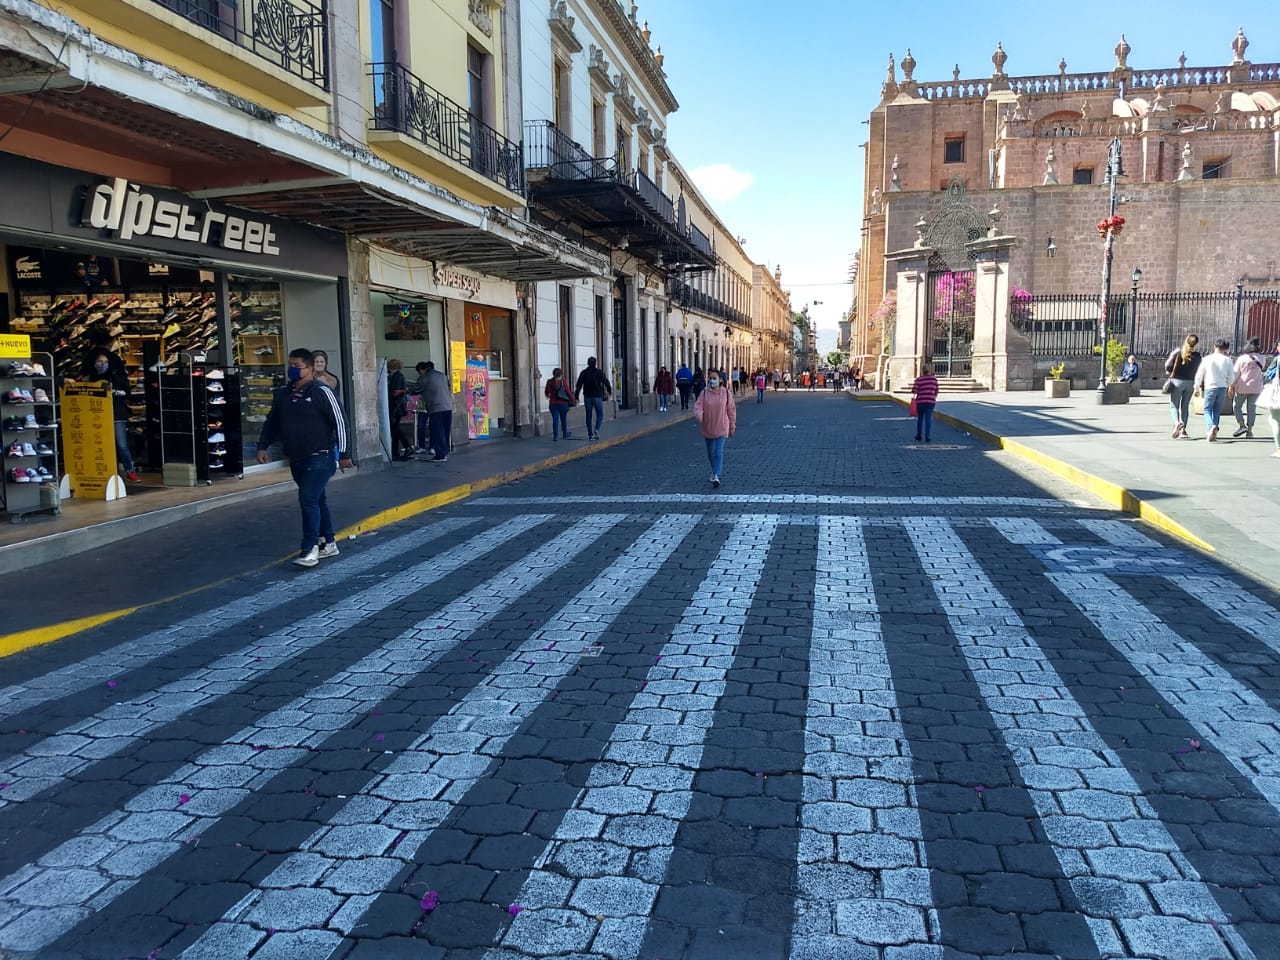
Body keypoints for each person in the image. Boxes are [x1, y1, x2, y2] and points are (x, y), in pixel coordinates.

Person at [255, 348, 351, 568]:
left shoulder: (321, 391)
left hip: (321, 456)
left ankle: (310, 548)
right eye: (291, 364)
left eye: (297, 365)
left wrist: (344, 454)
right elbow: (272, 422)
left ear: (309, 368)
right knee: (317, 500)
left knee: (307, 499)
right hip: (297, 457)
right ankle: (329, 541)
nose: (293, 369)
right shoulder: (282, 394)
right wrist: (263, 446)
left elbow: (340, 421)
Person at [86, 349, 140, 483]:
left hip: (116, 414)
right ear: (94, 363)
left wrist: (113, 390)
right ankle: (102, 470)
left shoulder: (117, 376)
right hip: (96, 415)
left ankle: (130, 471)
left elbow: (127, 393)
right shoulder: (90, 378)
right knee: (100, 445)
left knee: (121, 445)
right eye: (100, 361)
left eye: (105, 362)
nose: (102, 364)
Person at [693, 366, 736, 488]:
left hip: (722, 426)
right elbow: (698, 407)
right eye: (710, 378)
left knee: (718, 452)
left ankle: (716, 474)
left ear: (720, 380)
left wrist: (732, 426)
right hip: (708, 427)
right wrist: (699, 415)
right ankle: (714, 471)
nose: (712, 381)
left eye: (714, 378)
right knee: (710, 453)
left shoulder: (726, 394)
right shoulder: (704, 393)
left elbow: (731, 411)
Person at [1194, 338, 1235, 443]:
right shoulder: (1228, 360)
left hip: (1210, 386)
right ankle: (1215, 429)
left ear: (1214, 346)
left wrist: (1197, 387)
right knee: (1217, 409)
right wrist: (1229, 385)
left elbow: (1200, 374)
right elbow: (1231, 376)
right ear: (1226, 349)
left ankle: (1210, 427)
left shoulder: (1207, 359)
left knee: (1207, 409)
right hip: (1222, 387)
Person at [1165, 334, 1201, 439]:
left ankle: (1176, 423)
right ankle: (1183, 430)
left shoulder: (1179, 353)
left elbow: (1169, 367)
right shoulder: (1198, 356)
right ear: (1196, 344)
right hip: (1190, 382)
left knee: (1174, 405)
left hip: (1177, 381)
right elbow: (1199, 371)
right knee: (1185, 406)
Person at [417, 360, 452, 461]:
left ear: (423, 369)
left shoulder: (425, 378)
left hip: (436, 408)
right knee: (445, 430)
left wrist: (404, 390)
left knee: (437, 431)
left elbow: (416, 389)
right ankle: (445, 451)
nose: (419, 374)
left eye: (419, 372)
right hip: (447, 406)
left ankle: (440, 454)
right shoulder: (442, 375)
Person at [1231, 337, 1265, 439]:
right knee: (1252, 409)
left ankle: (1242, 425)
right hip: (1256, 387)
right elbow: (1262, 368)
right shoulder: (1262, 358)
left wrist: (1231, 385)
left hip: (1242, 386)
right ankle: (1249, 431)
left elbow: (1235, 373)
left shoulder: (1242, 358)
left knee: (1237, 407)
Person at [573, 356, 612, 441]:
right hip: (597, 396)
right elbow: (606, 381)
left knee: (588, 415)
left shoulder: (584, 373)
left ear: (588, 363)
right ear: (595, 363)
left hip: (587, 396)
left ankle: (590, 434)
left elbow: (579, 385)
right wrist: (609, 390)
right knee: (600, 414)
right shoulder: (599, 372)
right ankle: (597, 429)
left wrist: (576, 396)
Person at [386, 358, 410, 461]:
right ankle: (395, 451)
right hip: (397, 406)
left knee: (395, 428)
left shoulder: (396, 376)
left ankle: (407, 446)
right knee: (394, 429)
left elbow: (394, 391)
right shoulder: (397, 376)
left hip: (396, 406)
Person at [544, 366, 576, 440]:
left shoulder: (549, 381)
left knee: (555, 419)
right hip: (563, 403)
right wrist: (573, 400)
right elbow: (568, 392)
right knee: (563, 418)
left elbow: (546, 392)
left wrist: (550, 396)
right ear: (560, 374)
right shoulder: (562, 382)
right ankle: (565, 433)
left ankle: (555, 435)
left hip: (553, 404)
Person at [911, 363, 939, 443]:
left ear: (922, 371)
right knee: (928, 419)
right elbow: (936, 390)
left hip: (921, 401)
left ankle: (919, 435)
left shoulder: (919, 379)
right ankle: (928, 436)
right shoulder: (934, 379)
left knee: (920, 419)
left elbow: (914, 390)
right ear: (929, 370)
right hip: (931, 401)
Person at [408, 361, 431, 453]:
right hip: (423, 406)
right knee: (422, 427)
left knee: (426, 427)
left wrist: (408, 391)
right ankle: (424, 446)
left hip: (429, 406)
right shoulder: (421, 379)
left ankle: (428, 446)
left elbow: (416, 390)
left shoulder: (426, 379)